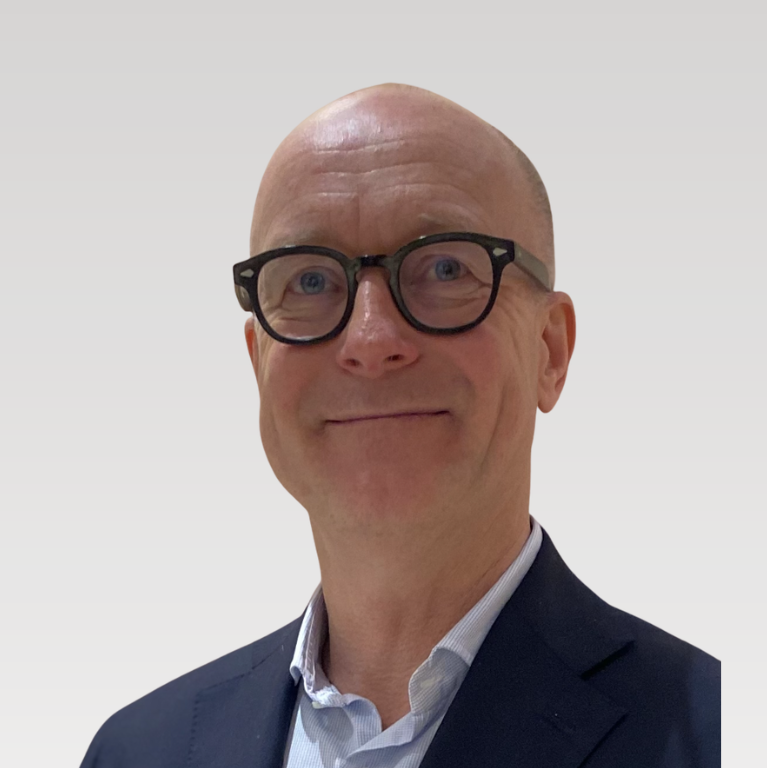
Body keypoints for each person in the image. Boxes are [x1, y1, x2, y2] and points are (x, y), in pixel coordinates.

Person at [79, 83, 719, 768]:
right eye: (310, 282)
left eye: (445, 267)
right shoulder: (137, 752)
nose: (370, 339)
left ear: (550, 351)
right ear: (258, 362)